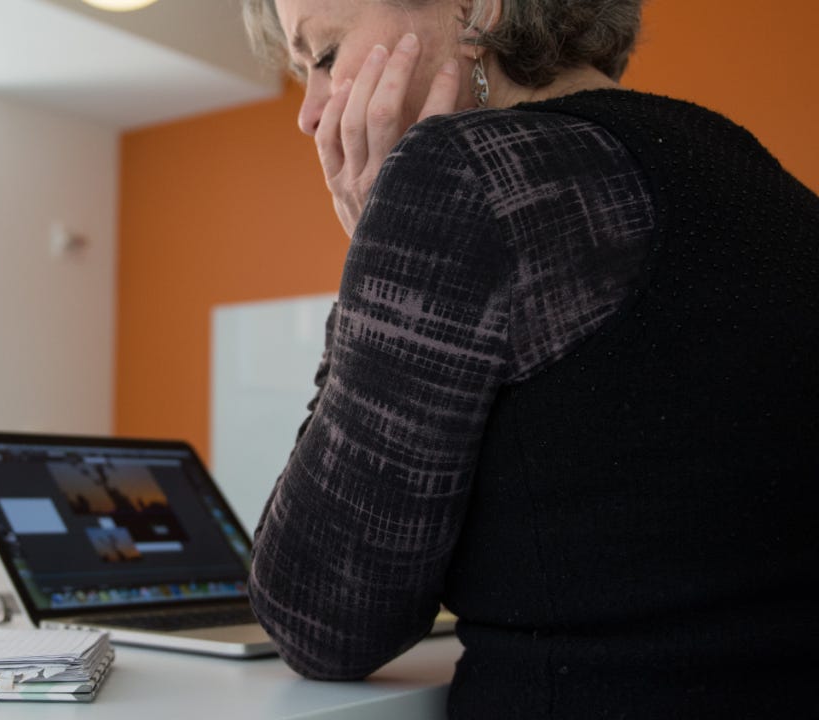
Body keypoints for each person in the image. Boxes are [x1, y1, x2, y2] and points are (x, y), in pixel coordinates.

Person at [240, 0, 819, 717]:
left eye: (324, 55)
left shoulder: (460, 170)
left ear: (476, 9)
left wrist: (375, 257)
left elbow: (320, 617)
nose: (309, 111)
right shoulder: (759, 175)